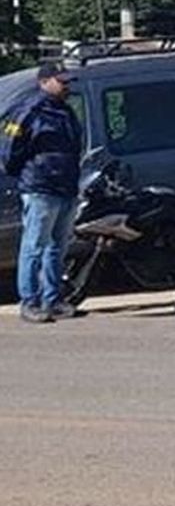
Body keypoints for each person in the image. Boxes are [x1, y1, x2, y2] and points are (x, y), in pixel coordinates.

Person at [1, 61, 85, 323]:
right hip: (40, 187)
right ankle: (30, 301)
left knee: (57, 248)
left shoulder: (66, 112)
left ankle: (53, 299)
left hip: (66, 187)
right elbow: (9, 149)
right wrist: (28, 174)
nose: (66, 86)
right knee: (34, 246)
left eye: (67, 81)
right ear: (44, 82)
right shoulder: (29, 111)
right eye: (61, 82)